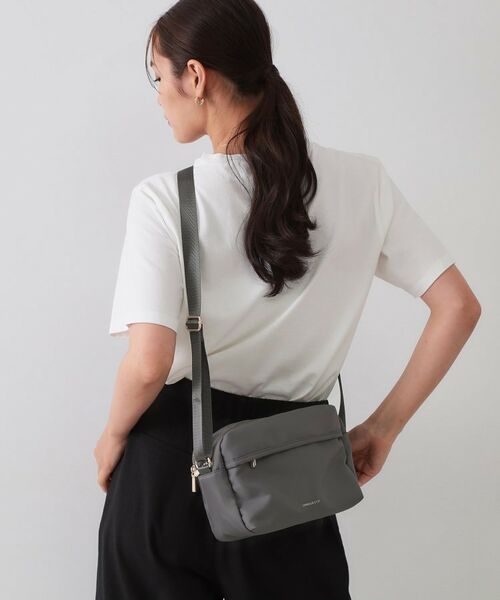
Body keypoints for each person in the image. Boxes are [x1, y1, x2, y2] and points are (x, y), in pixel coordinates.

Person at [93, 1, 481, 598]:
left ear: (195, 77)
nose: (158, 96)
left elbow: (149, 364)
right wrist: (382, 428)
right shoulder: (364, 182)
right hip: (293, 470)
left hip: (171, 468)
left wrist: (113, 436)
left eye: (157, 76)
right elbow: (458, 306)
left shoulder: (165, 200)